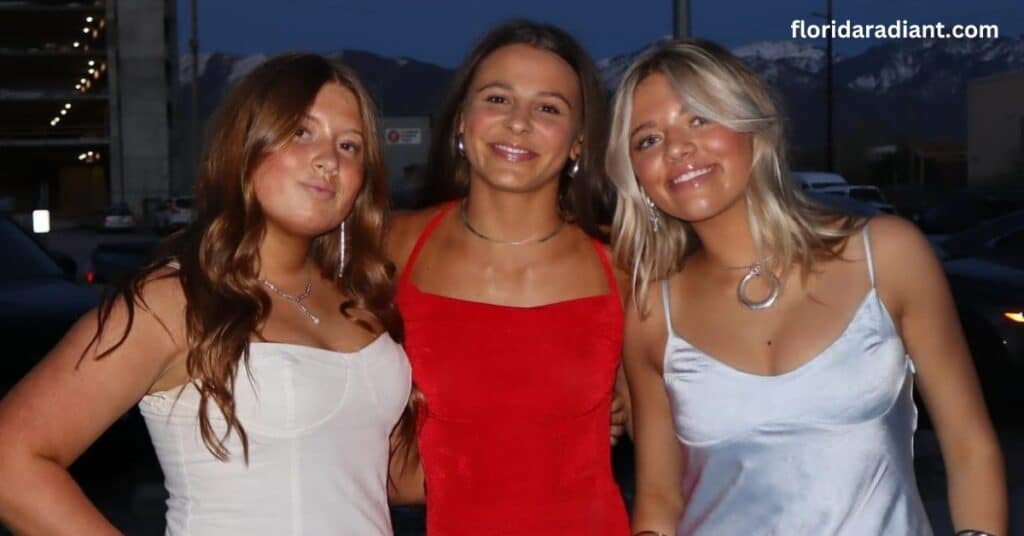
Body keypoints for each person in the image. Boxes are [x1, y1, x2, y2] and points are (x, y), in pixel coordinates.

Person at [608, 40, 1007, 536]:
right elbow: (659, 499)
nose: (677, 148)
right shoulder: (652, 310)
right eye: (648, 139)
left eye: (700, 118)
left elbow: (970, 446)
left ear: (753, 128)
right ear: (636, 176)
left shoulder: (886, 256)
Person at [0, 53, 410, 535]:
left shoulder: (360, 298)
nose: (329, 159)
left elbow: (387, 472)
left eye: (350, 146)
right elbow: (12, 462)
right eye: (301, 132)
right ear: (246, 144)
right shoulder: (176, 300)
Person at [386, 20, 631, 535]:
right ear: (459, 120)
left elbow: (674, 429)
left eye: (548, 108)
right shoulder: (391, 247)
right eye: (498, 99)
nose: (518, 123)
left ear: (579, 144)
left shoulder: (624, 265)